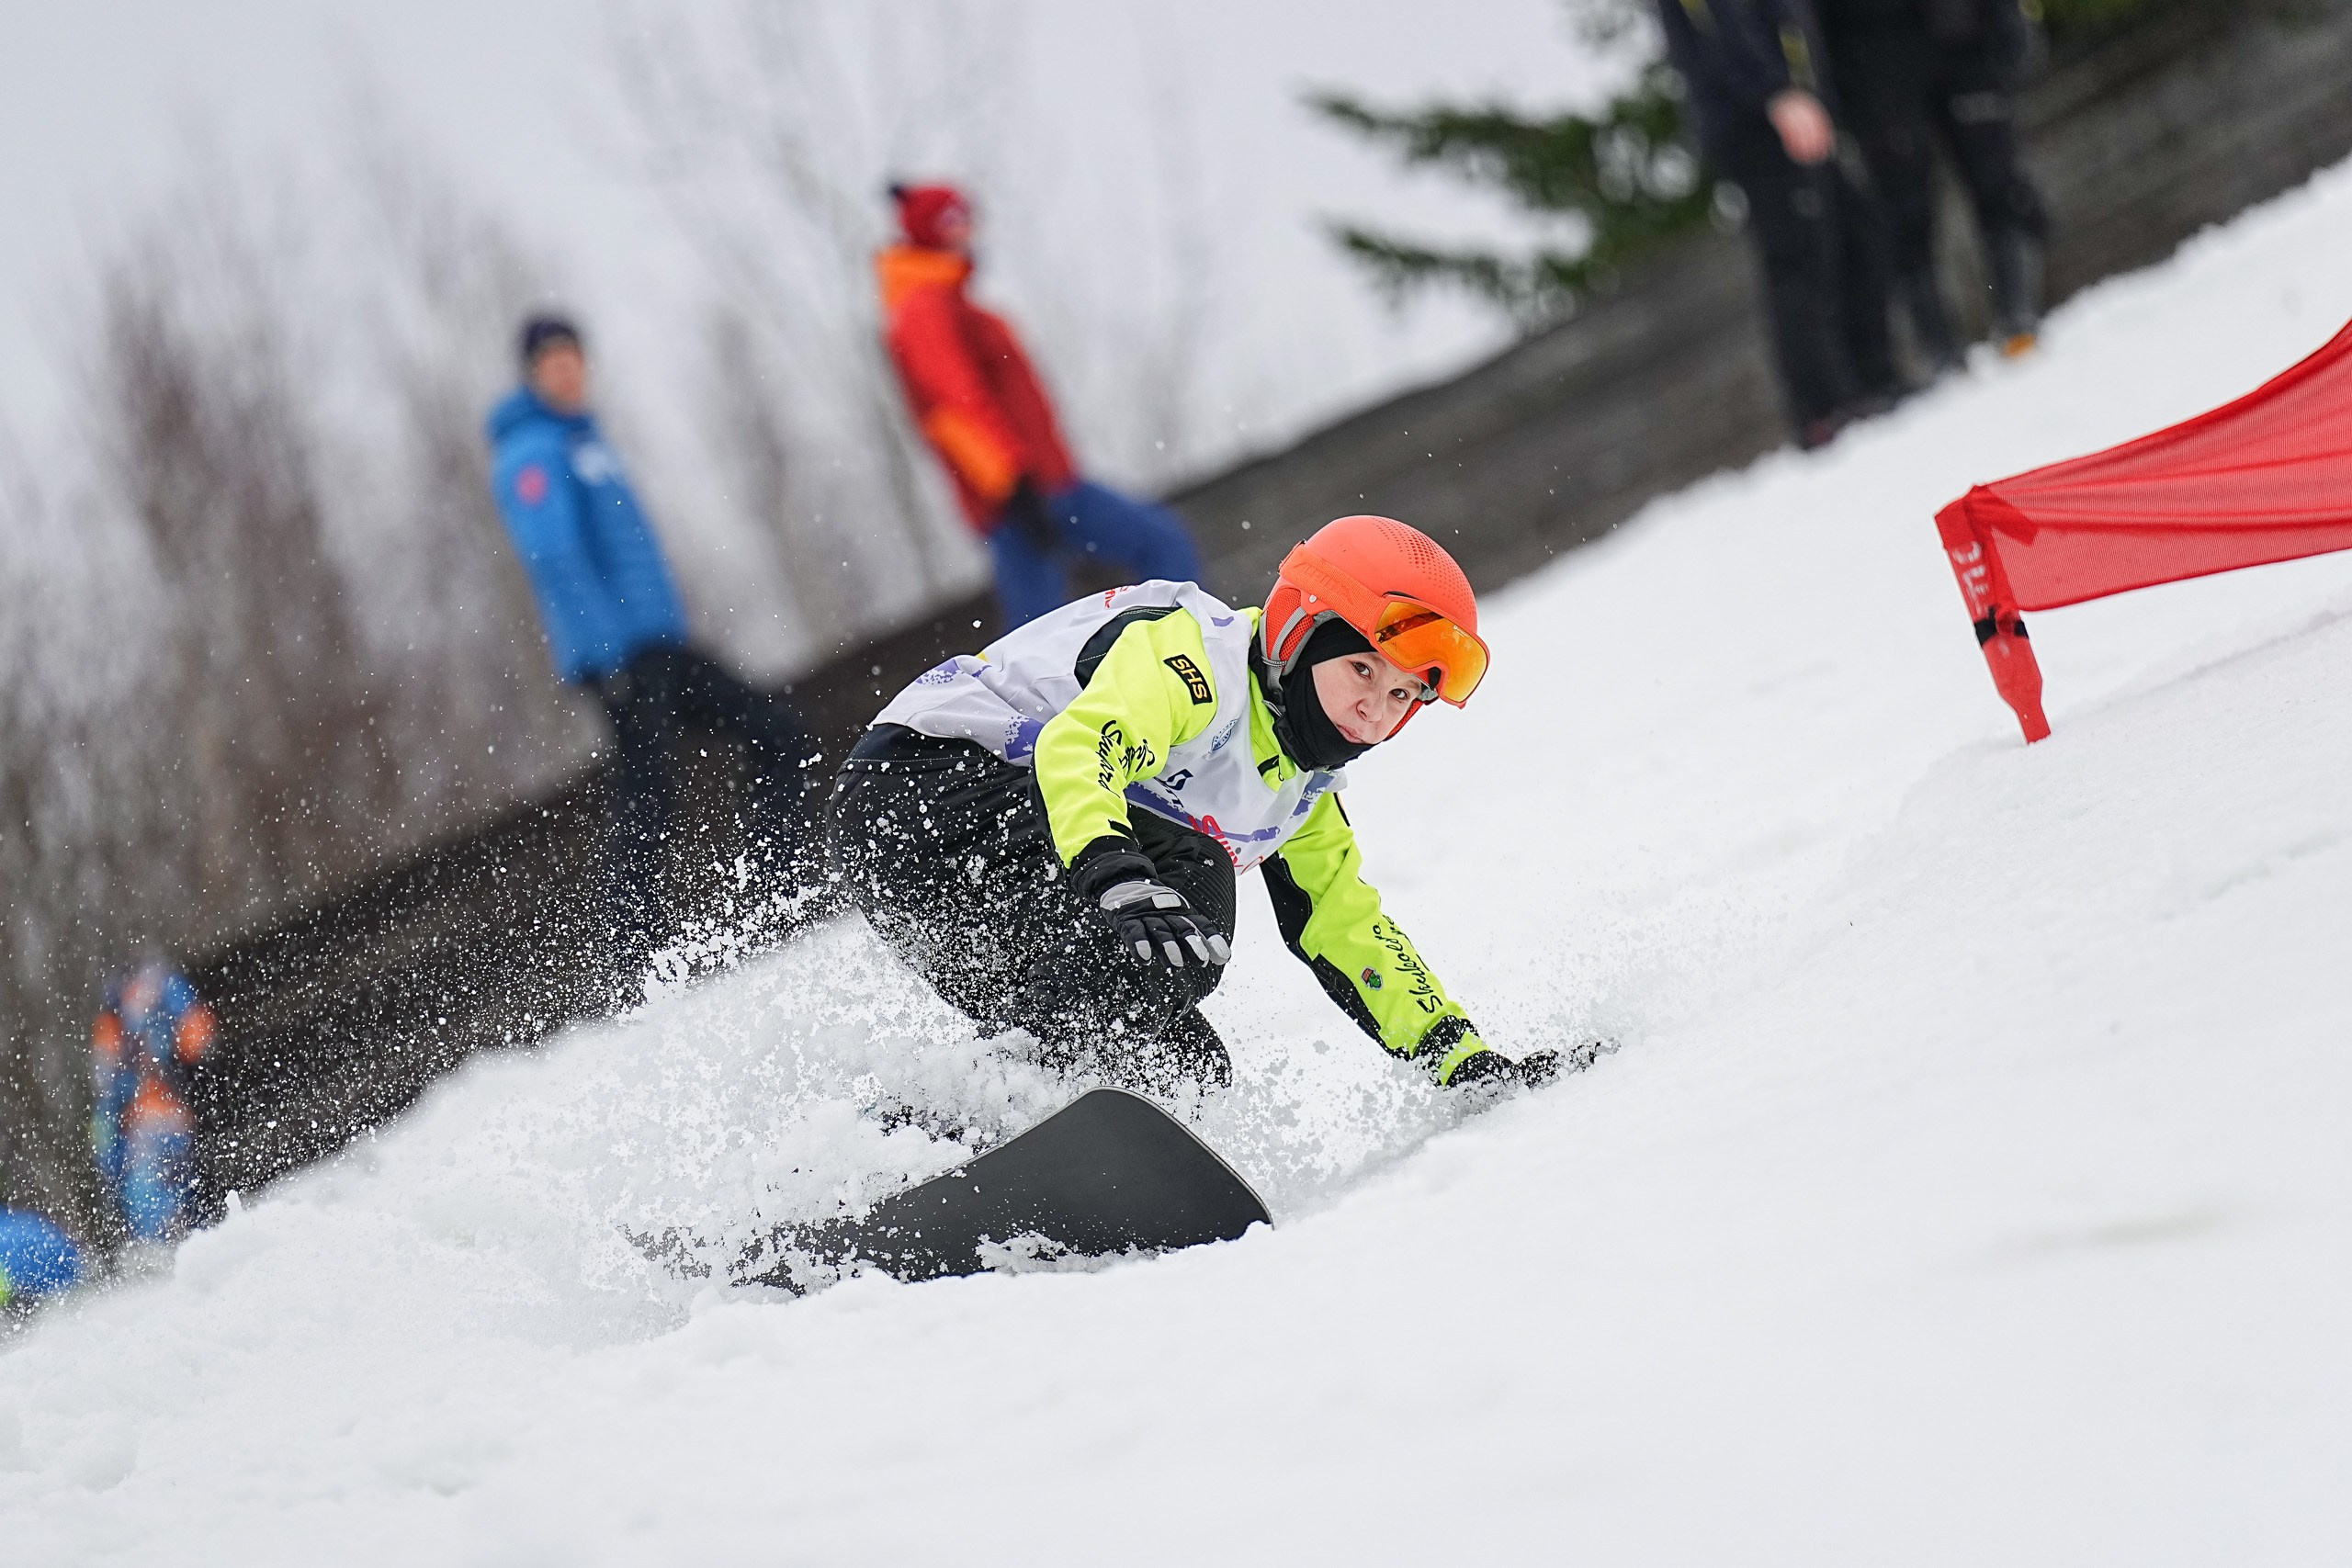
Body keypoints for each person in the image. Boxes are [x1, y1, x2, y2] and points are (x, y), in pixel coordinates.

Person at [828, 513, 1556, 1093]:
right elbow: (1078, 748)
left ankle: (932, 1134)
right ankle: (1009, 1089)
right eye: (1362, 669)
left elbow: (1345, 929)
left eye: (1402, 694)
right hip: (920, 788)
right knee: (1189, 896)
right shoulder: (1199, 662)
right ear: (1298, 635)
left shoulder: (1302, 795)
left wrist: (1459, 1058)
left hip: (965, 865)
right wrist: (1118, 872)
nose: (1375, 709)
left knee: (1180, 1070)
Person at [486, 315, 822, 962]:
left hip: (659, 643)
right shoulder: (533, 452)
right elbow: (553, 555)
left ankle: (775, 891)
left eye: (575, 359)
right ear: (532, 375)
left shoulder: (585, 440)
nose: (569, 371)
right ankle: (633, 952)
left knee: (778, 733)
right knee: (650, 792)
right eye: (553, 363)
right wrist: (609, 658)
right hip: (621, 656)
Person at [876, 182, 1206, 628]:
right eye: (958, 223)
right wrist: (1013, 488)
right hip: (1027, 490)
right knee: (1160, 546)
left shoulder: (947, 304)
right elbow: (954, 410)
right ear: (935, 232)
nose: (971, 233)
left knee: (1037, 634)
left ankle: (1159, 663)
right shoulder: (925, 310)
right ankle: (1181, 658)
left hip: (1034, 485)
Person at [1657, 0, 1903, 448]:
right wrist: (1776, 94)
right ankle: (1824, 409)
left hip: (1798, 105)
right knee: (1798, 257)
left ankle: (1874, 379)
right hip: (1756, 120)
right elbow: (1716, 30)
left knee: (1857, 231)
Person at [1815, 0, 2050, 367]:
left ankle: (2018, 315)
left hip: (1964, 39)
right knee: (1906, 213)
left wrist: (2008, 21)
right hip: (1873, 64)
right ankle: (1940, 350)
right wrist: (1831, 95)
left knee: (2000, 183)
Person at [91, 959, 215, 1245]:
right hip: (163, 1120)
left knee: (150, 1188)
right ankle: (184, 1237)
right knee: (173, 1185)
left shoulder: (130, 1013)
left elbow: (106, 1087)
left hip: (154, 1123)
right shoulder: (160, 997)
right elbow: (199, 1039)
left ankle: (171, 1240)